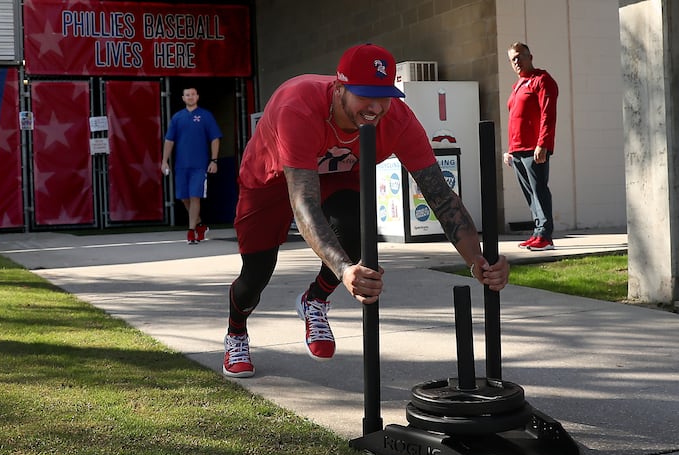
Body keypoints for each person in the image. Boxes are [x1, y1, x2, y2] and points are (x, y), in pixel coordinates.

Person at [223, 43, 510, 378]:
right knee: (256, 274)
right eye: (364, 95)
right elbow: (304, 203)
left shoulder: (398, 119)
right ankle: (236, 332)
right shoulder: (298, 107)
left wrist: (476, 260)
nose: (375, 107)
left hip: (341, 174)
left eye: (384, 95)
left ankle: (314, 300)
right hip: (269, 179)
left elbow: (440, 196)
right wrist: (345, 270)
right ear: (339, 88)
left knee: (356, 233)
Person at [502, 42, 559, 251]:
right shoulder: (518, 85)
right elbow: (515, 119)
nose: (516, 62)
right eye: (512, 59)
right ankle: (537, 233)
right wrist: (510, 150)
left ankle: (545, 236)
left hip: (534, 149)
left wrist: (542, 144)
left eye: (519, 57)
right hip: (517, 150)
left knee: (539, 190)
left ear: (530, 56)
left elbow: (548, 115)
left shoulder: (542, 80)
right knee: (530, 194)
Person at [161, 87, 223, 244]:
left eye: (193, 94)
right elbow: (169, 140)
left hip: (199, 165)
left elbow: (215, 138)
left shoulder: (205, 116)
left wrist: (214, 160)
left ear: (197, 96)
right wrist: (164, 161)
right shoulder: (177, 117)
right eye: (187, 95)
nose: (190, 97)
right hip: (181, 165)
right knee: (184, 198)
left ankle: (191, 232)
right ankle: (200, 224)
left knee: (195, 196)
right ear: (183, 98)